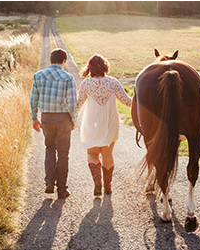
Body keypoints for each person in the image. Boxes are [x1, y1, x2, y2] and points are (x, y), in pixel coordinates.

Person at [77, 54, 133, 196]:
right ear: (105, 66)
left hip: (92, 122)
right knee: (107, 153)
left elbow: (78, 105)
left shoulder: (86, 84)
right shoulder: (113, 82)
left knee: (92, 153)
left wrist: (69, 117)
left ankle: (97, 182)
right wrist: (142, 100)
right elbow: (127, 102)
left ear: (90, 68)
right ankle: (108, 186)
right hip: (110, 122)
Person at [30, 48, 77, 199]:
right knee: (63, 153)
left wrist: (34, 118)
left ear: (50, 60)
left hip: (47, 118)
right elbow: (71, 103)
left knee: (50, 148)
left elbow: (33, 100)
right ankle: (62, 189)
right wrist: (74, 120)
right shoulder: (68, 78)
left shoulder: (38, 76)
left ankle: (49, 182)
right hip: (64, 119)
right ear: (64, 61)